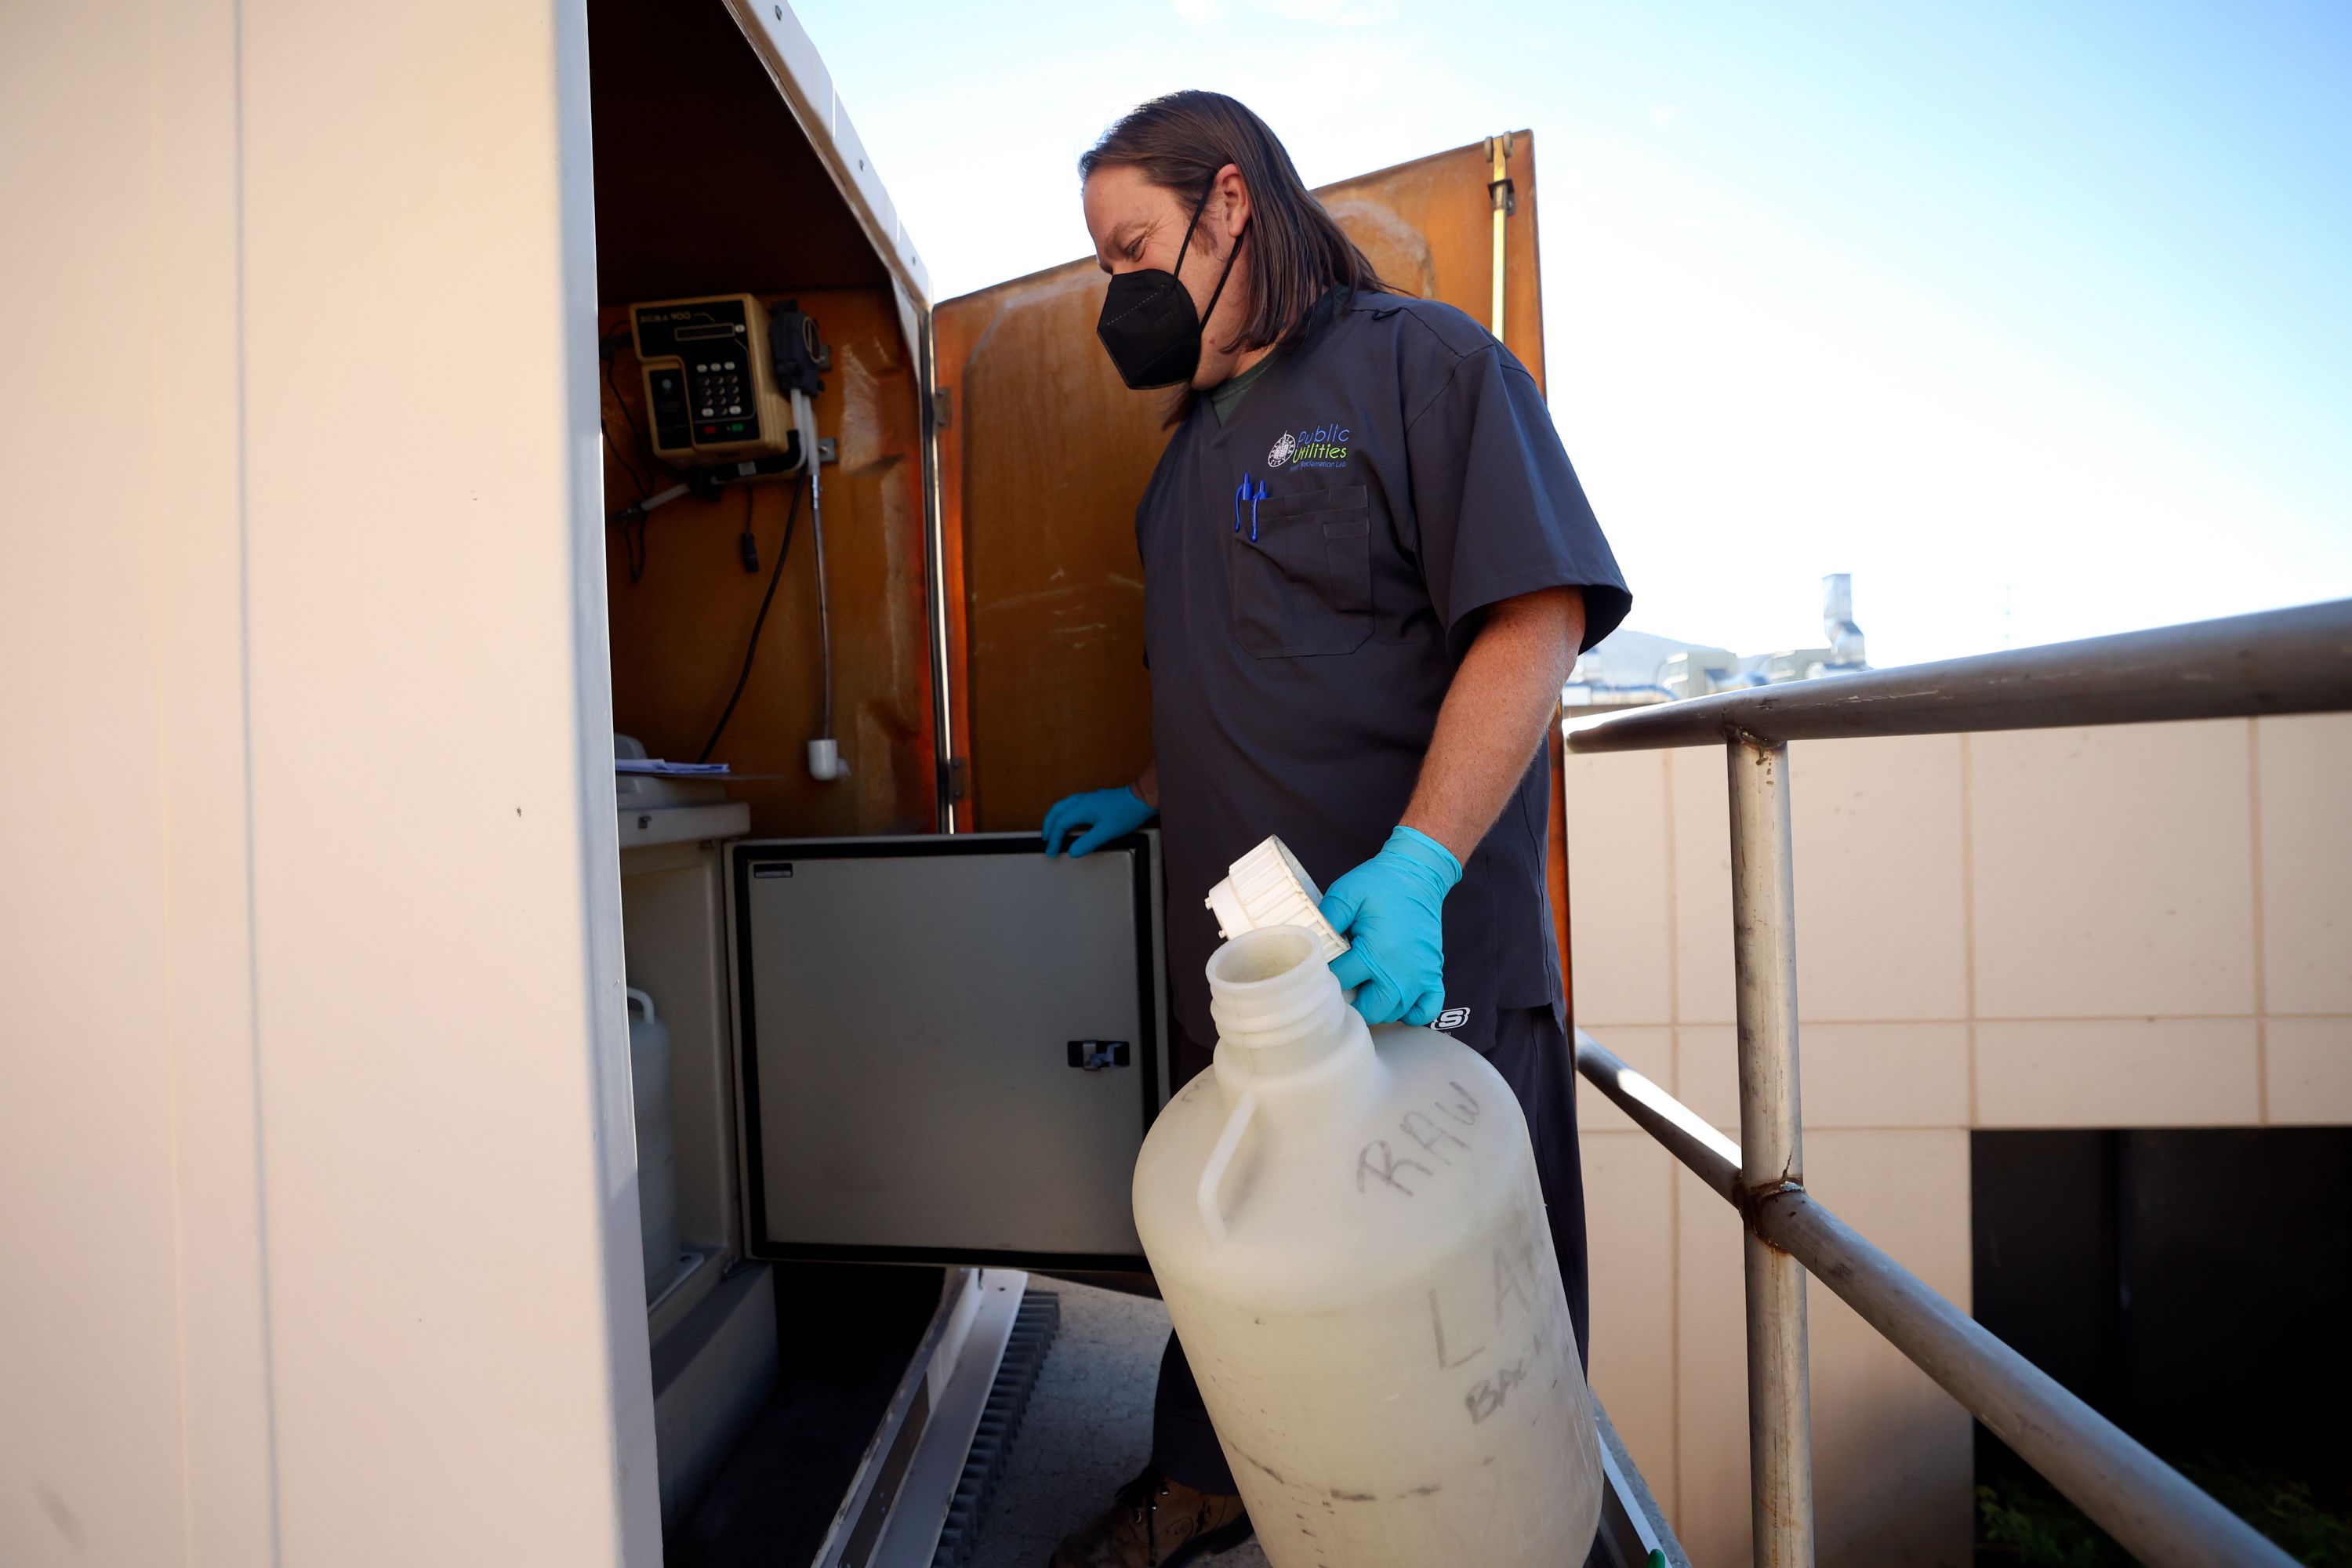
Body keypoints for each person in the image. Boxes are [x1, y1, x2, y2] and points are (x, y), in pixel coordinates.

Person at [1040, 90, 1631, 1568]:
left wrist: (1422, 867)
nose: (1120, 294)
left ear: (1229, 204)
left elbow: (1535, 616)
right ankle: (1218, 1477)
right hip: (1257, 989)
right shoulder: (1178, 467)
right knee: (1254, 1278)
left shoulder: (1419, 366)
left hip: (1422, 970)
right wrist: (1153, 795)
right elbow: (1264, 671)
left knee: (1454, 1335)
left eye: (1131, 250)